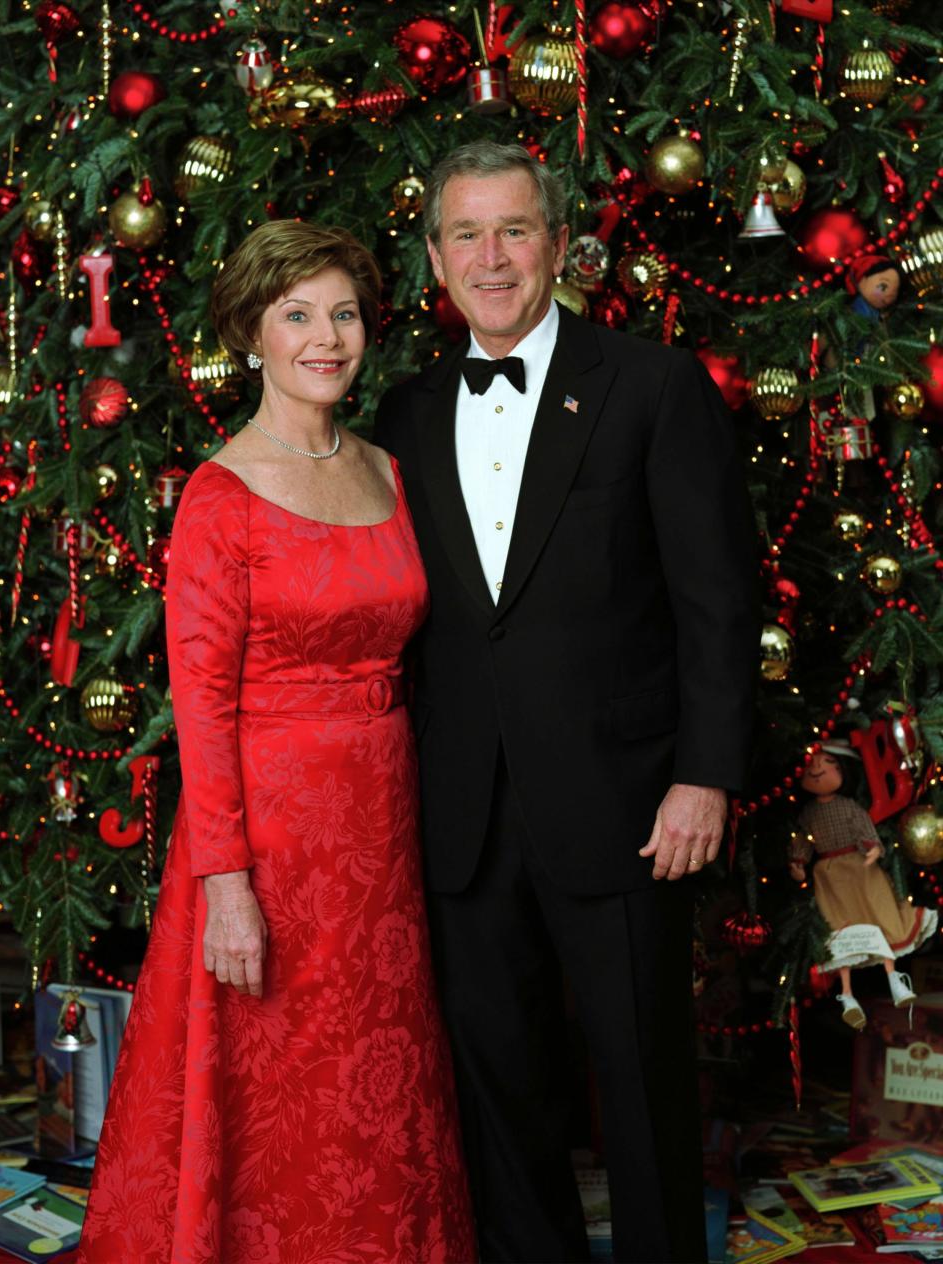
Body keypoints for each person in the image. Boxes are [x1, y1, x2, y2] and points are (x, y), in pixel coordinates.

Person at [374, 140, 760, 1264]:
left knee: (642, 1084)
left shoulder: (653, 384)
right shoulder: (402, 410)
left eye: (513, 231)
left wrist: (707, 774)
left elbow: (717, 603)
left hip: (630, 802)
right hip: (464, 813)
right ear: (436, 256)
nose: (490, 259)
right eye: (464, 235)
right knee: (500, 1094)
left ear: (556, 242)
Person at [77, 220, 476, 1264]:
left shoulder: (392, 473)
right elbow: (200, 709)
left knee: (372, 1069)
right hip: (269, 835)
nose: (325, 337)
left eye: (342, 312)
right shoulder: (220, 496)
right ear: (251, 333)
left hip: (382, 828)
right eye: (297, 314)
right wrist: (226, 886)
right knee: (273, 1077)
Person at [789, 745, 937, 1031]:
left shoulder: (848, 807)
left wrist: (871, 848)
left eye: (827, 763)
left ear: (843, 770)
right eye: (810, 765)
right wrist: (798, 861)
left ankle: (894, 978)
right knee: (842, 928)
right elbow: (803, 841)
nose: (817, 769)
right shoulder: (807, 814)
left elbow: (864, 830)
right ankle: (847, 994)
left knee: (877, 915)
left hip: (860, 868)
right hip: (829, 876)